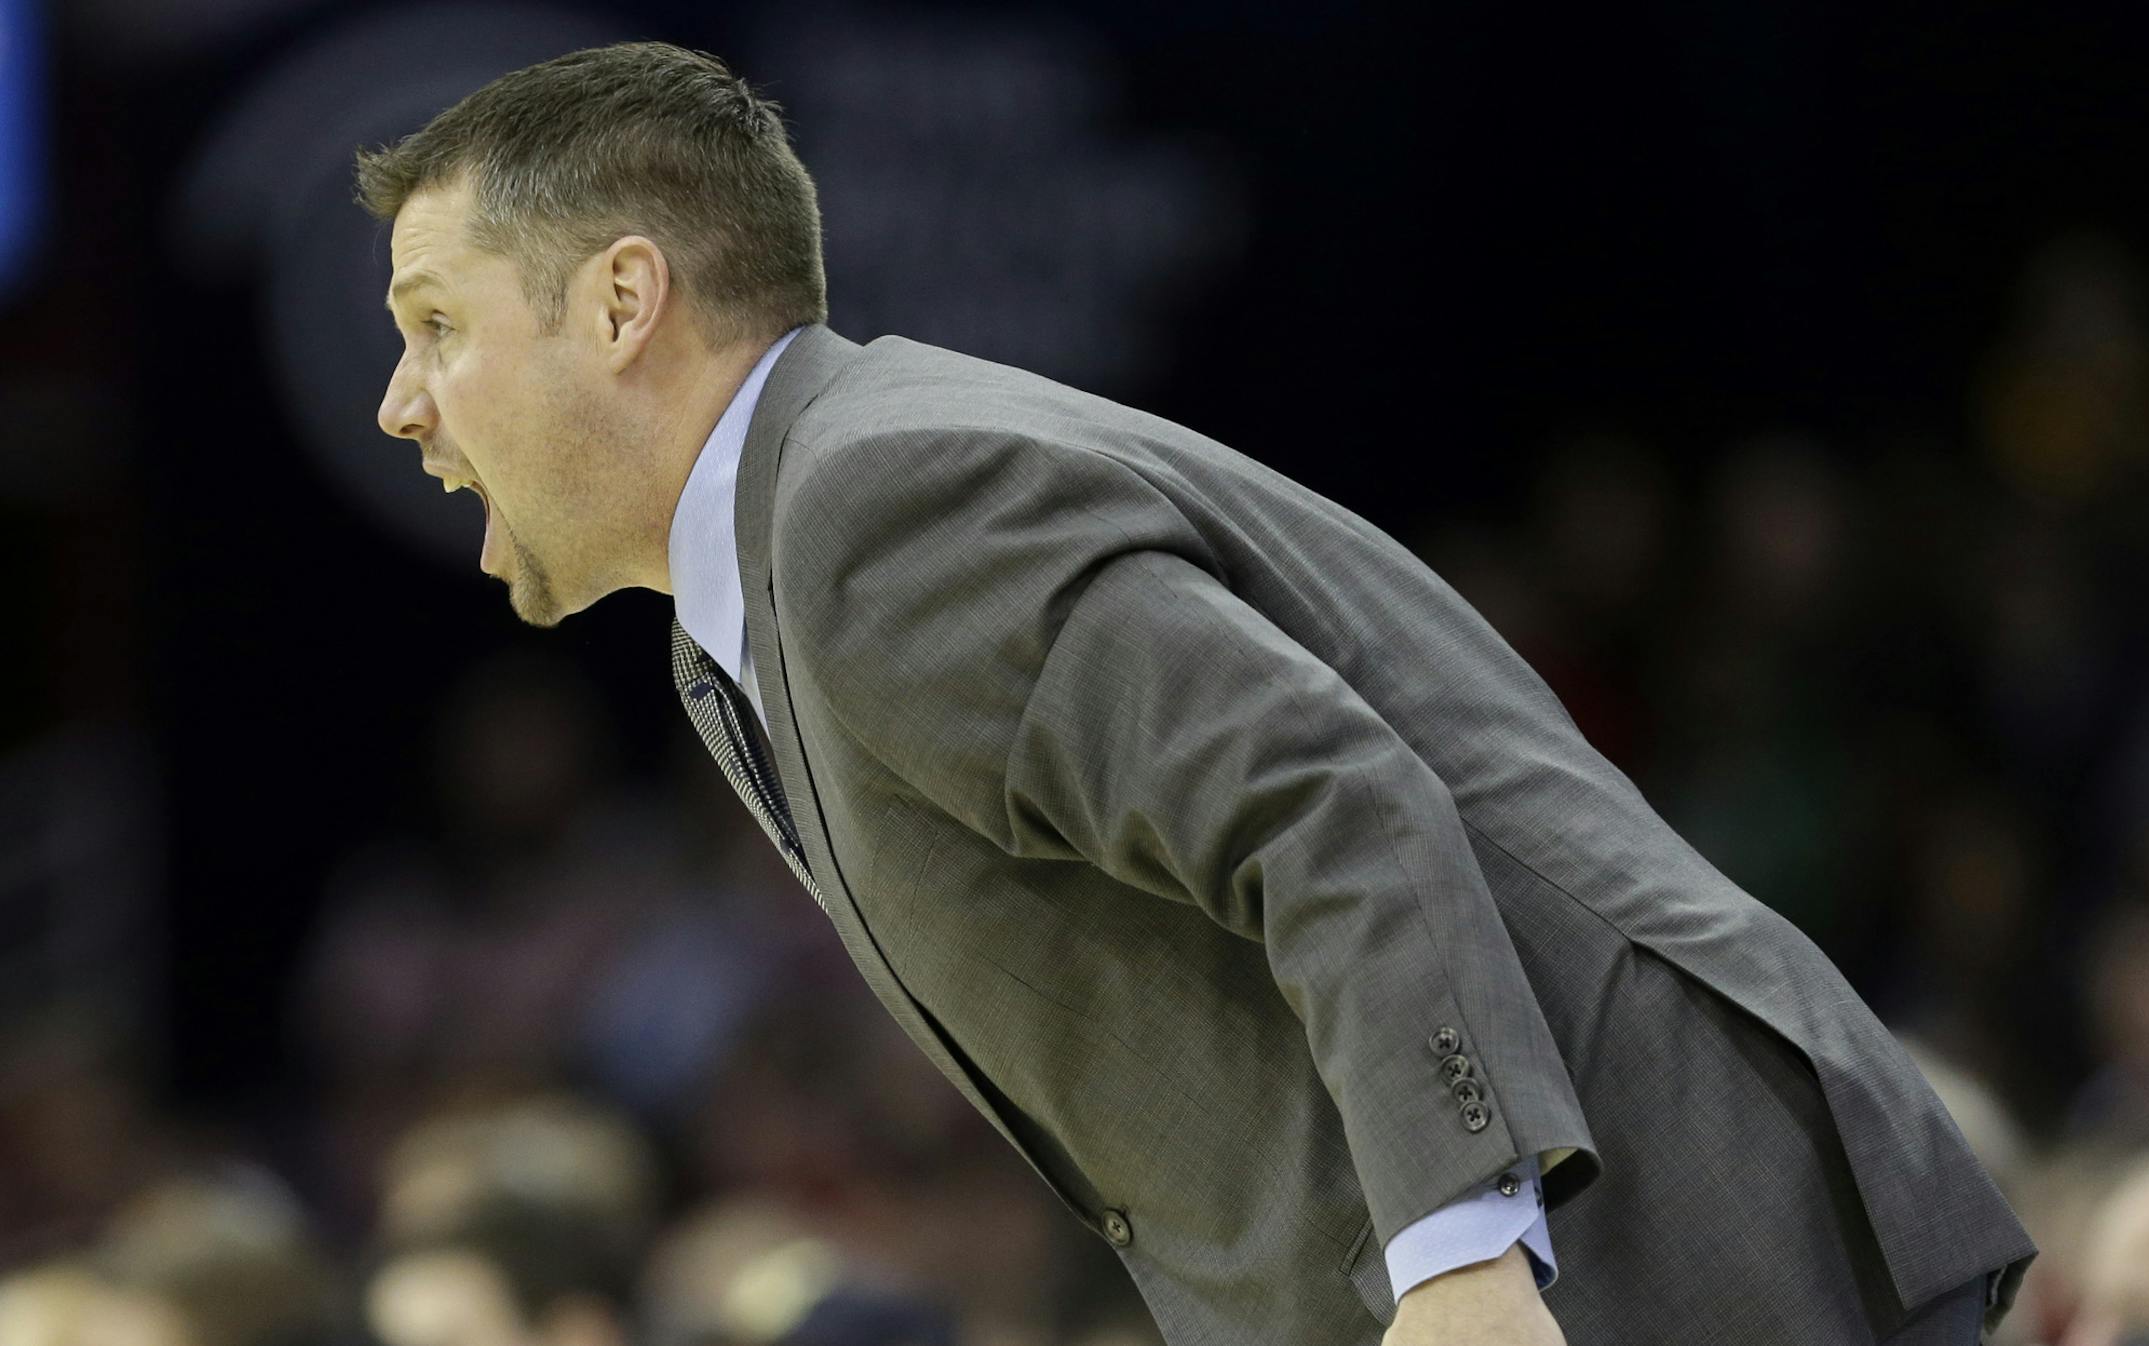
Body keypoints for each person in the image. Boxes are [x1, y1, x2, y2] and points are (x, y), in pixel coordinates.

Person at [357, 40, 2037, 1345]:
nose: (401, 403)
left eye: (439, 326)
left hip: (1661, 1244)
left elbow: (1328, 802)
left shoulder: (873, 505)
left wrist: (1459, 1249)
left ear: (625, 301)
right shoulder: (764, 576)